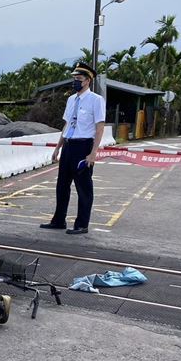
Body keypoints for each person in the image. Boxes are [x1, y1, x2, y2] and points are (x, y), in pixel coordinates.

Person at [40, 62, 106, 235]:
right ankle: (58, 220)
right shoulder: (71, 100)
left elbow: (100, 127)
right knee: (62, 185)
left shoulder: (96, 100)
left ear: (87, 81)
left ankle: (81, 224)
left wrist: (93, 153)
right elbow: (67, 125)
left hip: (83, 146)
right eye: (74, 78)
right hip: (69, 145)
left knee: (83, 187)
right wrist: (58, 148)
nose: (75, 81)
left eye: (78, 78)